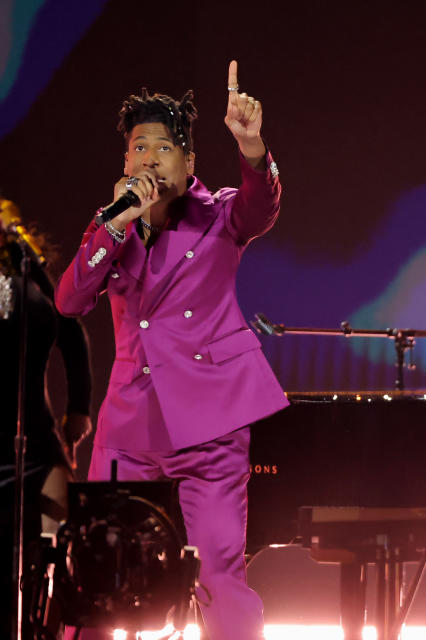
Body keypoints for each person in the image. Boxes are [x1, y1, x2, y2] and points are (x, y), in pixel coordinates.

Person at [55, 61, 289, 639]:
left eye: (165, 148)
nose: (150, 158)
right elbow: (68, 300)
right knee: (97, 578)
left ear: (189, 165)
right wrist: (112, 227)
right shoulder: (112, 229)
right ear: (125, 164)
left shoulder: (220, 216)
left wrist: (253, 145)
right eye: (139, 148)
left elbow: (262, 204)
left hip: (208, 431)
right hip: (129, 432)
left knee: (216, 574)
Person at [1, 199, 93, 638]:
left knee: (56, 553)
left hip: (36, 439)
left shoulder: (24, 273)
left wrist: (79, 407)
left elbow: (71, 331)